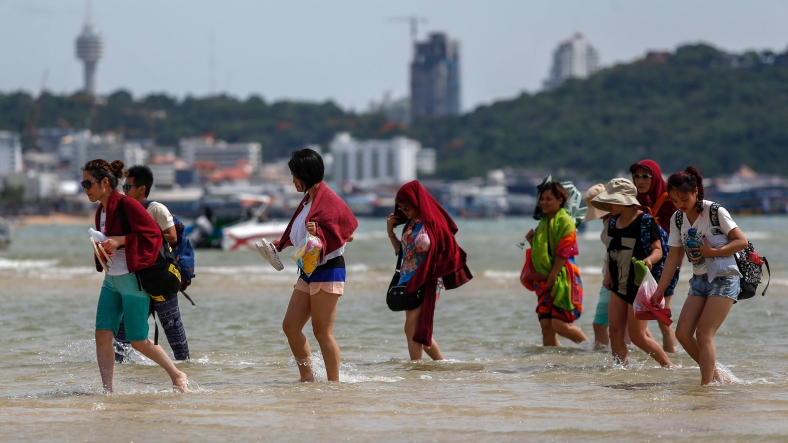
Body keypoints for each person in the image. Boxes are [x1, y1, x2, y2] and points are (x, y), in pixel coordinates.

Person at [82, 159, 188, 393]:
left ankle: (177, 374)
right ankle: (108, 391)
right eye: (83, 184)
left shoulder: (127, 205)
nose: (85, 188)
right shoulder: (100, 210)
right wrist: (101, 249)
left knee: (138, 341)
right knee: (102, 335)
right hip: (111, 281)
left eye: (88, 183)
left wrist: (120, 240)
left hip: (134, 281)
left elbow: (153, 234)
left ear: (105, 182)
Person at [652, 166, 747, 385]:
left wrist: (712, 252)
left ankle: (706, 387)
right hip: (699, 280)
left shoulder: (715, 212)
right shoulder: (677, 219)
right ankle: (716, 375)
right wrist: (659, 290)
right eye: (675, 201)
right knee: (683, 334)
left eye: (684, 198)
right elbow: (673, 258)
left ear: (696, 191)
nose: (680, 204)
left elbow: (741, 241)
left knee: (704, 333)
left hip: (725, 277)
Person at [274, 148, 358, 382]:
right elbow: (302, 234)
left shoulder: (329, 199)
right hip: (309, 270)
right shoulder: (308, 201)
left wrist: (320, 231)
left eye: (294, 175)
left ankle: (333, 384)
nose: (292, 181)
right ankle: (308, 379)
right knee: (290, 326)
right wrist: (282, 242)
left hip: (329, 269)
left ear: (305, 174)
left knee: (322, 332)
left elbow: (348, 233)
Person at [591, 178, 674, 367]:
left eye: (610, 201)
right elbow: (611, 253)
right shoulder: (613, 222)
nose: (607, 205)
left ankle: (668, 366)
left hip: (638, 285)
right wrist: (608, 276)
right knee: (615, 331)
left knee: (637, 336)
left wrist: (649, 260)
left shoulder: (645, 221)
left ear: (624, 201)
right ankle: (621, 368)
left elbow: (658, 250)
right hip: (619, 283)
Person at [386, 181, 473, 361]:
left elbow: (447, 249)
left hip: (428, 279)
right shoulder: (409, 225)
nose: (404, 210)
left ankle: (416, 369)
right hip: (407, 280)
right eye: (400, 207)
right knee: (419, 330)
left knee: (411, 327)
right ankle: (441, 363)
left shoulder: (433, 223)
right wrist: (391, 233)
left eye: (406, 206)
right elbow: (402, 253)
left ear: (416, 202)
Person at [114, 164, 190, 362]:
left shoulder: (155, 208)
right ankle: (117, 369)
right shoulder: (127, 211)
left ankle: (185, 370)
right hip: (139, 279)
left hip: (160, 277)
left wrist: (142, 235)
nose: (124, 191)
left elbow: (172, 237)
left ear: (142, 189)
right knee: (124, 331)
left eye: (128, 187)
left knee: (174, 331)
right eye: (124, 187)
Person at [523, 181, 589, 346]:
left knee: (560, 325)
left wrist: (553, 275)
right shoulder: (543, 222)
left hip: (563, 277)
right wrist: (532, 242)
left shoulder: (566, 221)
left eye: (549, 199)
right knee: (546, 326)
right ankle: (551, 365)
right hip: (543, 279)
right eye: (542, 199)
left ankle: (592, 351)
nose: (543, 202)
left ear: (560, 200)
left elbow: (563, 251)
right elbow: (544, 253)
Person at [630, 159, 679, 352]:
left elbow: (677, 234)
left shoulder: (669, 201)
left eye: (645, 176)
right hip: (640, 262)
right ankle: (655, 353)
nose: (640, 181)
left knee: (661, 315)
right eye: (636, 176)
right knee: (640, 311)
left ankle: (670, 356)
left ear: (656, 178)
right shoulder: (633, 200)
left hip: (665, 262)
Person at [583, 184, 613, 347]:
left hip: (614, 277)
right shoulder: (608, 220)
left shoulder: (615, 221)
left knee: (601, 324)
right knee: (629, 327)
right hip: (608, 276)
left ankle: (607, 361)